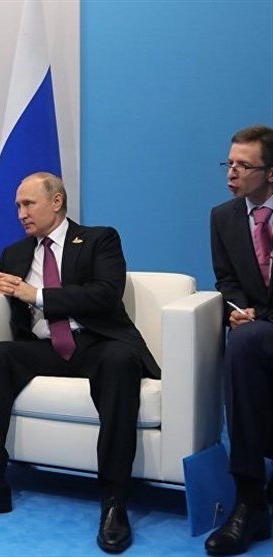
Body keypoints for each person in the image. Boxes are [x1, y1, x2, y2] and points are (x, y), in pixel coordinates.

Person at [0, 172, 159, 554]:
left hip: (98, 342)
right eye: (17, 206)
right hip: (46, 347)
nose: (21, 214)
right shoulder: (15, 253)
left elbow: (105, 295)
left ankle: (113, 498)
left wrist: (37, 295)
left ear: (56, 202)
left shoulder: (99, 240)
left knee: (121, 361)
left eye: (28, 204)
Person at [205, 125, 273, 556]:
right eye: (229, 164)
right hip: (259, 329)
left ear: (271, 173)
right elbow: (226, 279)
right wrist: (237, 309)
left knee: (249, 341)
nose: (232, 173)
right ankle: (249, 499)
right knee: (244, 343)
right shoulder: (223, 217)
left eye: (244, 166)